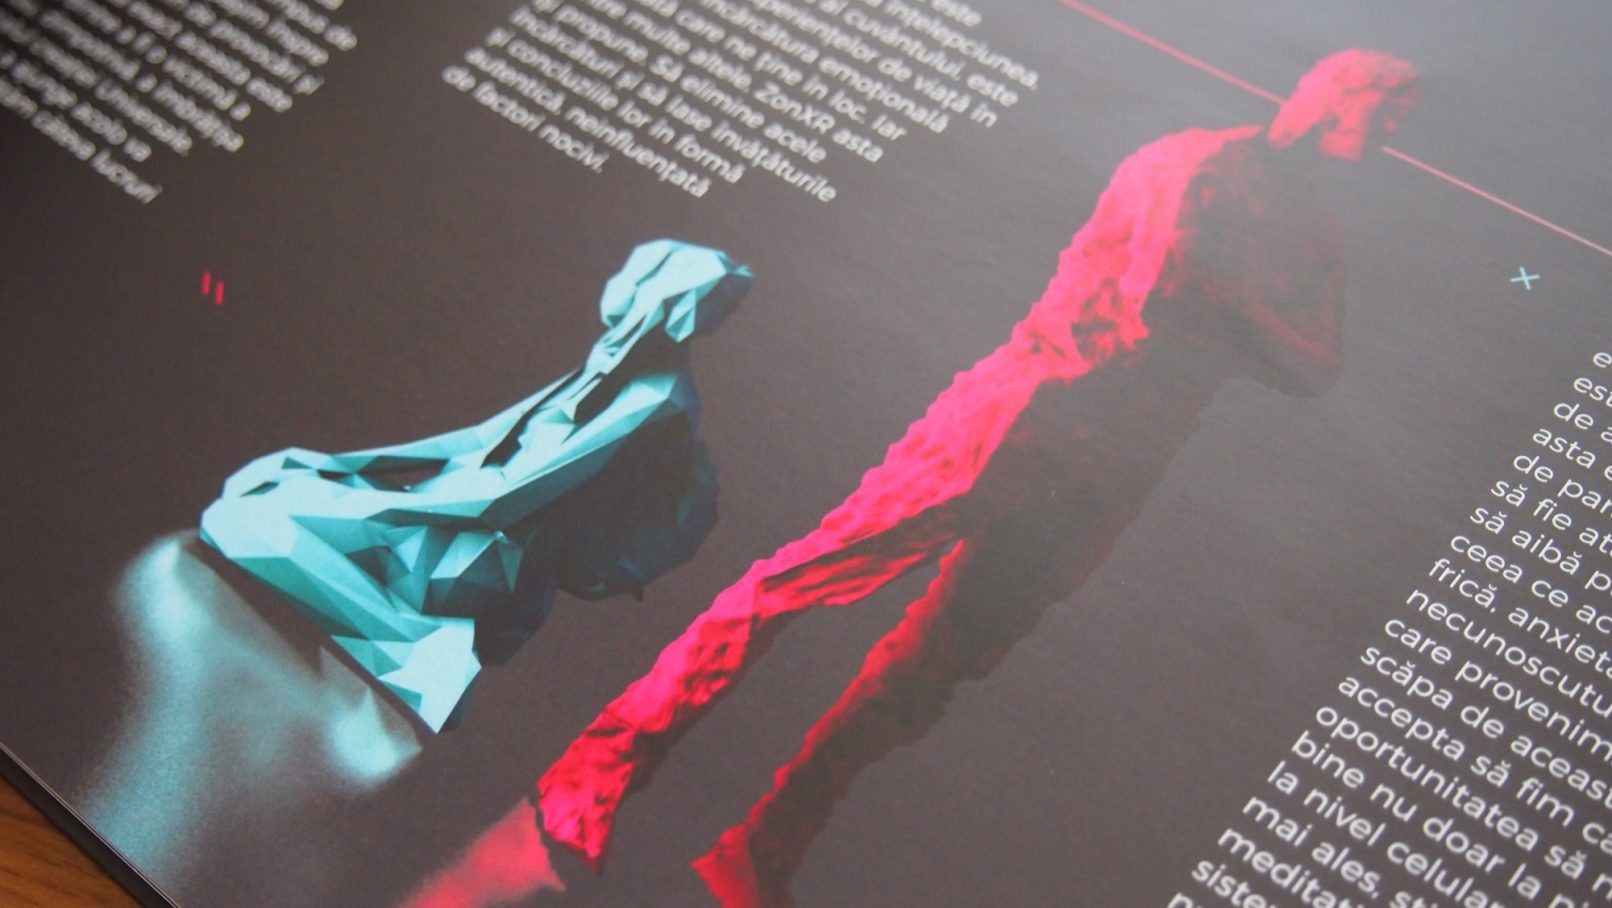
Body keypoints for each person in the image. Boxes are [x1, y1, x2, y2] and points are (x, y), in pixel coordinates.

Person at [530, 49, 1419, 906]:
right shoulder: (1196, 162)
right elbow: (1159, 300)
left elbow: (1320, 367)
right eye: (1391, 110)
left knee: (938, 666)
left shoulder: (1318, 233)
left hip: (1112, 470)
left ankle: (763, 846)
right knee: (801, 582)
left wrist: (1233, 304)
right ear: (1339, 92)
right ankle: (594, 771)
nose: (1393, 134)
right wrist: (1258, 320)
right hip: (1019, 416)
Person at [200, 240, 753, 729]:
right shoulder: (608, 361)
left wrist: (364, 503)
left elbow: (504, 498)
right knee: (265, 485)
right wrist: (342, 465)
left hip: (478, 567)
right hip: (438, 524)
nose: (621, 288)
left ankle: (427, 656)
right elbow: (476, 439)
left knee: (245, 517)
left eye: (639, 279)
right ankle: (411, 639)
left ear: (665, 296)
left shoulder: (658, 402)